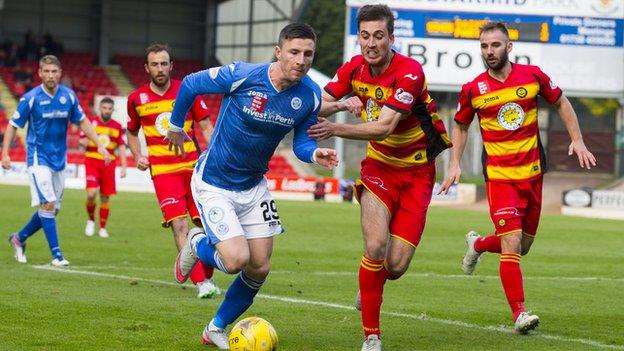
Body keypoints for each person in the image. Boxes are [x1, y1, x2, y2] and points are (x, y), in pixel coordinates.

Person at [169, 23, 338, 349]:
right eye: (294, 52)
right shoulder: (243, 75)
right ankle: (197, 244)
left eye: (308, 54)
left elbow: (301, 143)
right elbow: (190, 84)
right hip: (214, 182)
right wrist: (176, 125)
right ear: (278, 52)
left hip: (254, 186)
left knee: (259, 266)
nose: (301, 60)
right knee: (234, 260)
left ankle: (215, 328)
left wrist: (315, 153)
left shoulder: (310, 95)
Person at [307, 5, 452, 350]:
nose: (371, 43)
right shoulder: (353, 69)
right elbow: (320, 101)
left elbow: (386, 127)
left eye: (379, 36)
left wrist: (336, 127)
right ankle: (371, 337)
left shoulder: (410, 72)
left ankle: (370, 281)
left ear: (391, 38)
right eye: (365, 36)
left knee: (396, 265)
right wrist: (343, 104)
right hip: (379, 168)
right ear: (359, 37)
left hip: (418, 174)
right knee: (374, 246)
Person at [439, 22, 596, 334]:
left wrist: (577, 139)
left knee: (522, 246)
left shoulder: (533, 76)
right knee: (511, 245)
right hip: (500, 179)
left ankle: (479, 244)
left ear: (508, 47)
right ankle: (519, 314)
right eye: (484, 46)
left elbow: (562, 102)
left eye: (495, 45)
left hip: (533, 175)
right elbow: (460, 125)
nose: (489, 52)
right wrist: (454, 163)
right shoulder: (473, 89)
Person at [126, 43, 219, 299]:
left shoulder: (188, 91)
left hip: (194, 171)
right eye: (154, 64)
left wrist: (215, 154)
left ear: (171, 65)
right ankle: (202, 283)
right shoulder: (136, 99)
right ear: (147, 68)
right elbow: (131, 132)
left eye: (163, 63)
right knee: (179, 225)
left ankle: (208, 274)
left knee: (209, 227)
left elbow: (207, 126)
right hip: (164, 174)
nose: (159, 68)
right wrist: (137, 155)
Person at [2, 54, 111, 266]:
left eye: (54, 71)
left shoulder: (69, 96)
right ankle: (57, 255)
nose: (51, 75)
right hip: (38, 158)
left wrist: (99, 144)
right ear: (39, 73)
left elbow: (83, 122)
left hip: (59, 161)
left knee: (50, 210)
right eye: (47, 71)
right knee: (49, 205)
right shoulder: (31, 98)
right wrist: (6, 153)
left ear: (60, 74)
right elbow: (12, 126)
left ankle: (18, 238)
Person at [80, 97, 127, 238]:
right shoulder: (90, 123)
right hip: (92, 161)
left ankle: (102, 228)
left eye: (109, 108)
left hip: (109, 163)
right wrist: (91, 133)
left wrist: (124, 165)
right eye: (104, 108)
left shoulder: (117, 126)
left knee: (105, 198)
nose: (107, 111)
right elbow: (82, 142)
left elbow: (122, 146)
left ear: (113, 110)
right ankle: (90, 220)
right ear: (100, 108)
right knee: (91, 193)